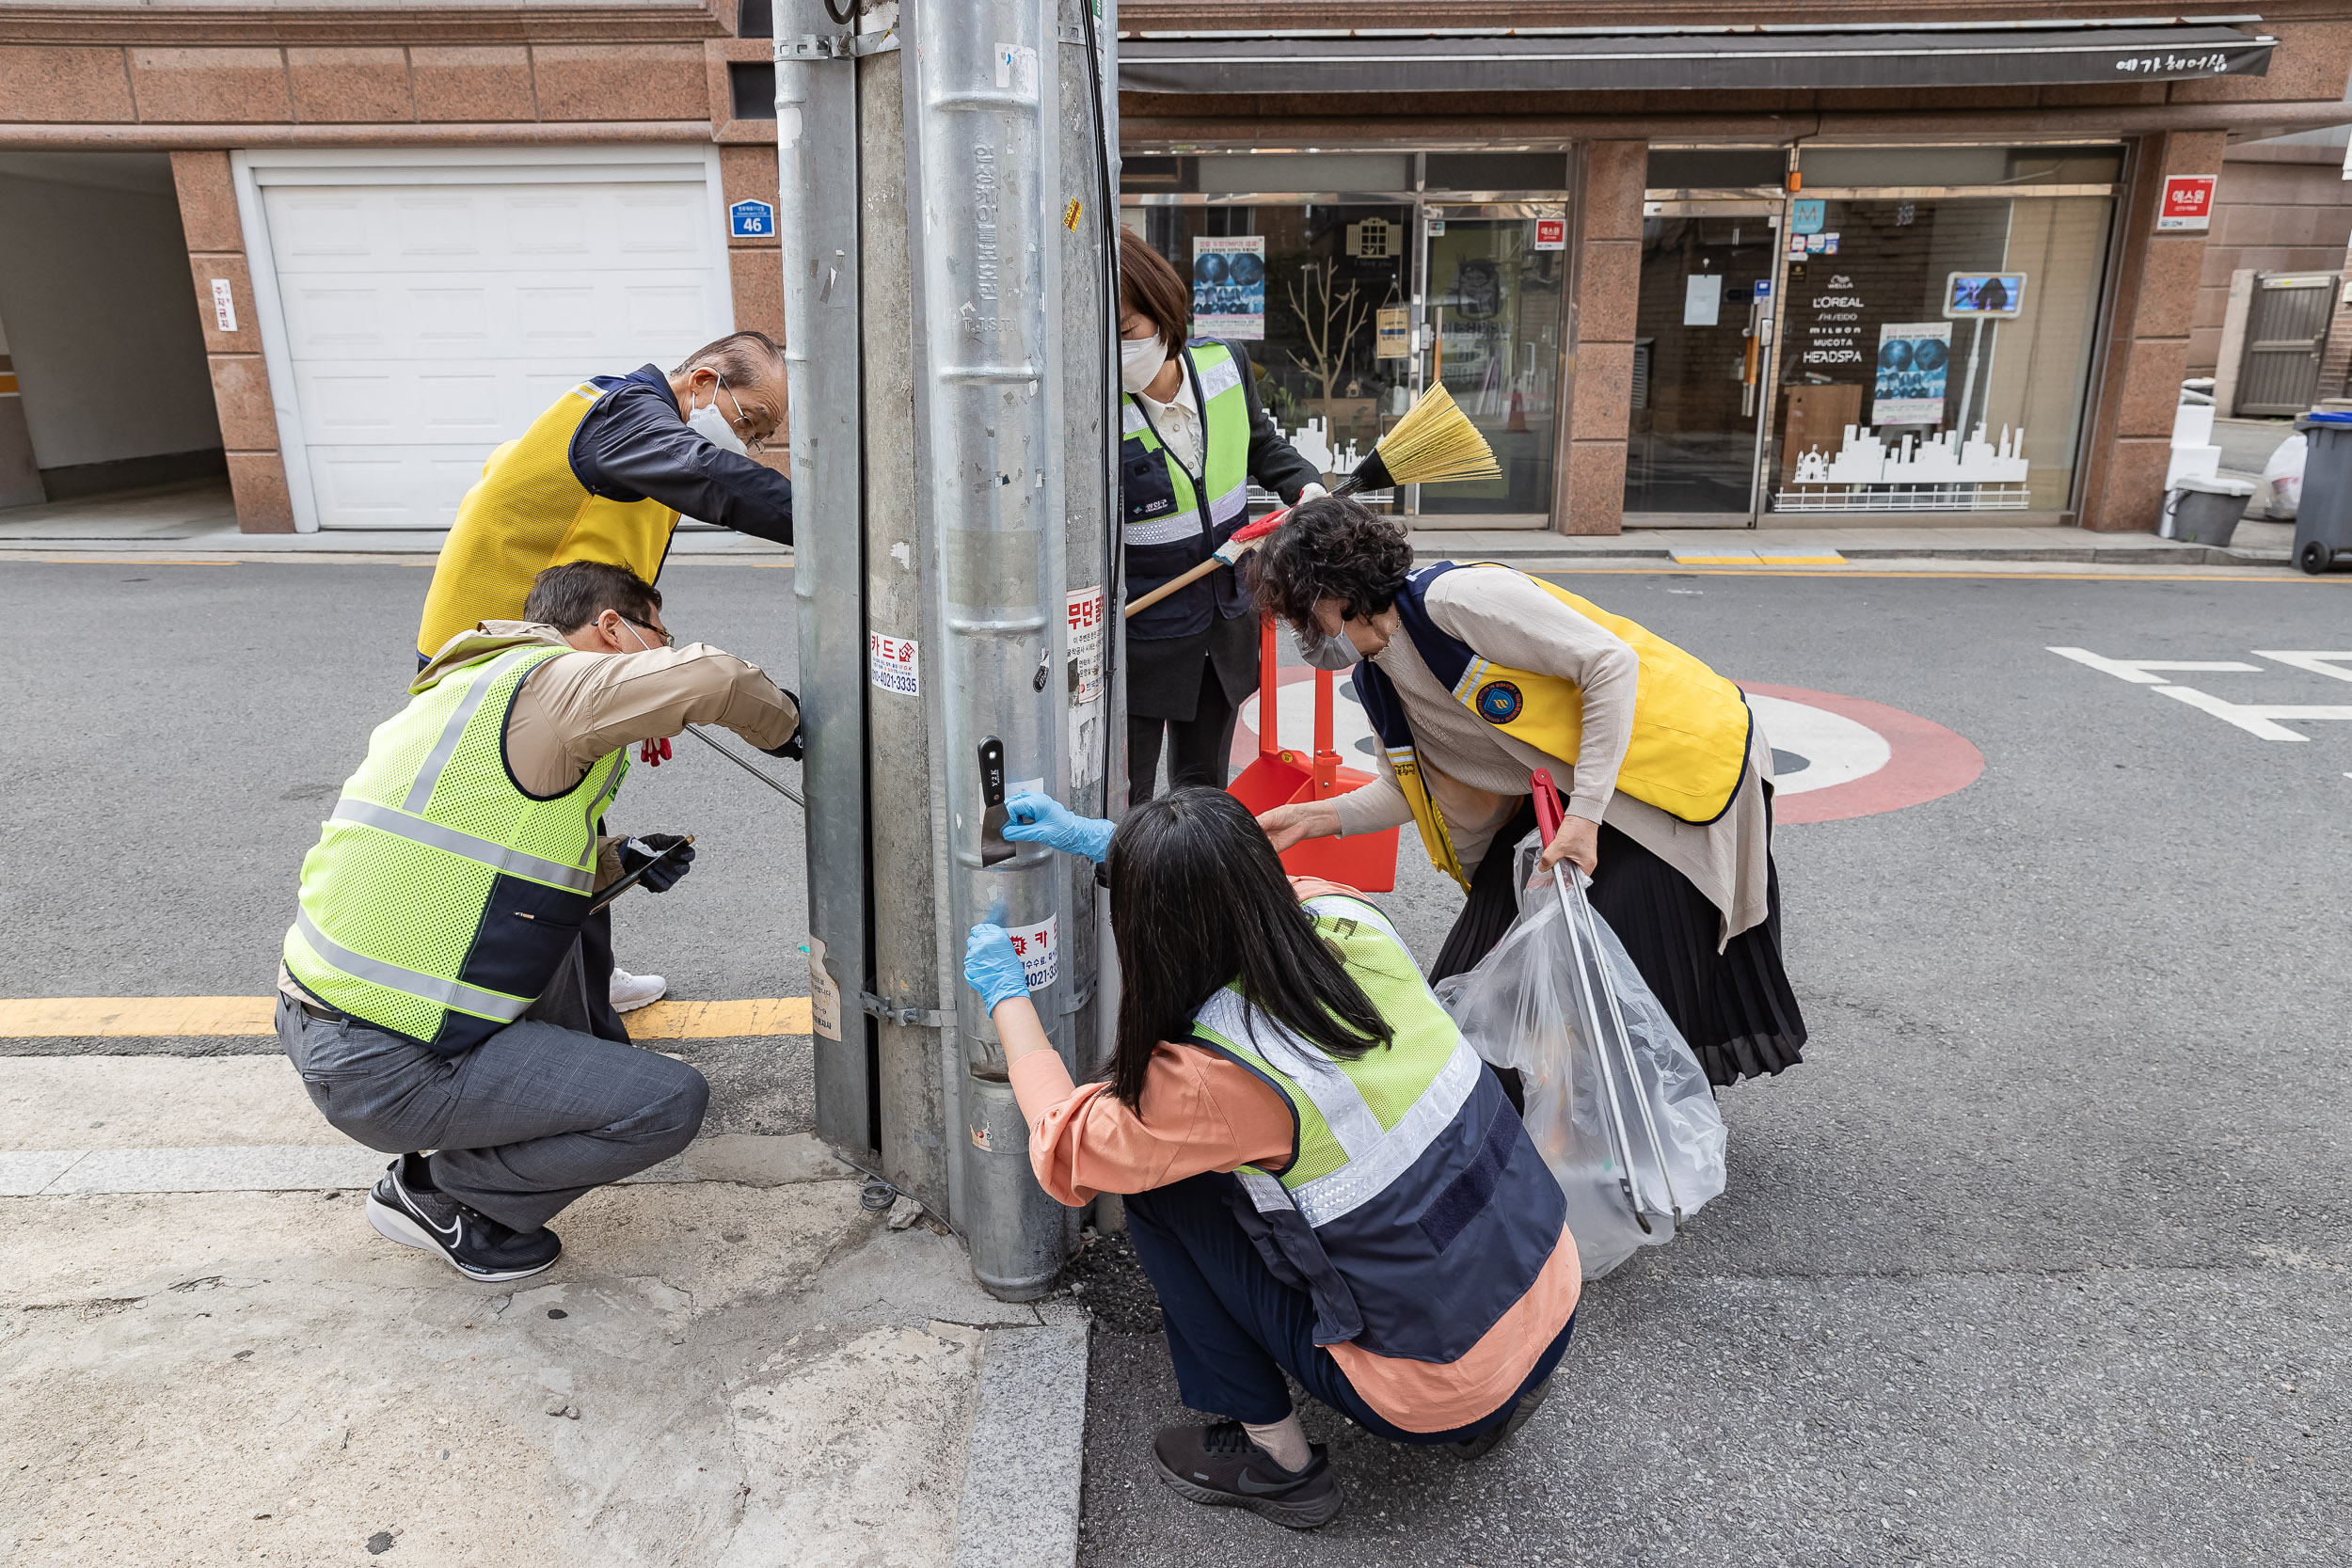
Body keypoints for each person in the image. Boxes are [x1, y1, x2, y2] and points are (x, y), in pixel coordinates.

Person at [968, 786, 1579, 1530]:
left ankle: (1278, 1465)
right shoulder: (1351, 919)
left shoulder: (1213, 1077)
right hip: (1550, 1290)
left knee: (1163, 1195)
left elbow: (1064, 1143)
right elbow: (1241, 890)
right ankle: (1493, 1395)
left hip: (1436, 1384)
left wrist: (1008, 997)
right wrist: (1113, 845)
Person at [279, 561, 802, 1283]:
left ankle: (500, 1131)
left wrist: (620, 859)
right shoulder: (556, 683)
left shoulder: (474, 686)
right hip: (386, 1061)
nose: (665, 646)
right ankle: (444, 1197)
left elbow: (490, 876)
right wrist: (792, 730)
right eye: (659, 631)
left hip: (332, 1021)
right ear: (612, 629)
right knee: (669, 1103)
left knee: (566, 944)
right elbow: (715, 679)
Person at [1250, 499, 1805, 1089]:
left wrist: (1586, 818)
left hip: (1667, 766)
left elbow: (1609, 664)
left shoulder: (1454, 601)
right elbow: (1411, 792)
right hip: (1573, 786)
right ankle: (1515, 1128)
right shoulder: (1376, 675)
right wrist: (1311, 819)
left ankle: (1606, 1139)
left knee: (1601, 964)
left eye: (1302, 615)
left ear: (1339, 589)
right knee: (1476, 975)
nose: (1301, 635)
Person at [414, 329, 800, 1014]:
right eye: (752, 423)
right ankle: (525, 984)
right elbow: (713, 480)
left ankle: (587, 971)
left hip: (546, 647)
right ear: (705, 384)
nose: (749, 445)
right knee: (526, 822)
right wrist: (832, 523)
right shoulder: (625, 416)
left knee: (569, 809)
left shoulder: (621, 427)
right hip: (494, 652)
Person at [1118, 231, 1326, 801]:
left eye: (1128, 331)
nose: (1118, 351)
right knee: (1127, 802)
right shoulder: (1095, 405)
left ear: (1163, 313)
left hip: (1227, 621)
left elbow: (1263, 445)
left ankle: (1195, 889)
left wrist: (1305, 488)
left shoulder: (1225, 364)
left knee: (1204, 792)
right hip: (1142, 634)